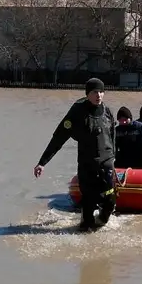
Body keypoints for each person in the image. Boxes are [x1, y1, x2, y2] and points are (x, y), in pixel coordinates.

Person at [33, 78, 117, 232]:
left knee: (110, 200)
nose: (99, 95)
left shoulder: (107, 112)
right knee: (89, 206)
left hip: (106, 164)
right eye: (94, 92)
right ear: (87, 94)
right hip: (87, 165)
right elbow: (59, 138)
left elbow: (112, 136)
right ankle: (86, 231)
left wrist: (114, 158)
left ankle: (101, 222)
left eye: (101, 91)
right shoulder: (77, 113)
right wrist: (42, 162)